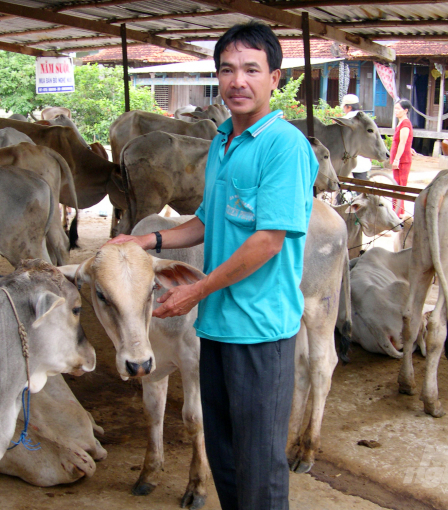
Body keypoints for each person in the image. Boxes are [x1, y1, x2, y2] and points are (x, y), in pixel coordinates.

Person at [107, 21, 319, 510]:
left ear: (276, 78)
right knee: (224, 458)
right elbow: (206, 220)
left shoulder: (284, 146)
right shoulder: (223, 140)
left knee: (260, 468)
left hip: (261, 334)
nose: (237, 81)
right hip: (218, 330)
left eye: (251, 69)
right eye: (227, 70)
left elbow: (267, 242)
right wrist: (147, 239)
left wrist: (196, 291)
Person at [390, 98, 414, 216]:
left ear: (405, 110)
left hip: (402, 160)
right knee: (396, 185)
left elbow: (402, 143)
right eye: (395, 108)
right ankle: (397, 211)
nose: (396, 111)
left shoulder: (405, 123)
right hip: (399, 157)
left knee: (400, 187)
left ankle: (398, 212)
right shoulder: (400, 122)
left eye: (398, 109)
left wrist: (397, 159)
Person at [340, 93, 371, 180]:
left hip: (351, 158)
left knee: (339, 181)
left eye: (344, 107)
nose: (343, 109)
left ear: (349, 107)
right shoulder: (366, 119)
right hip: (364, 157)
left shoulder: (345, 120)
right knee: (361, 185)